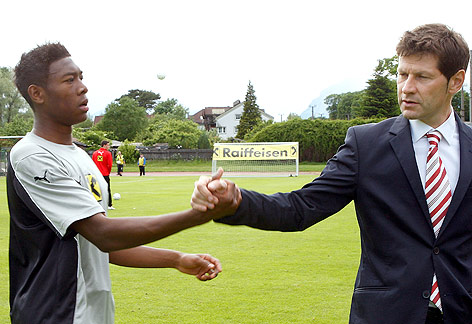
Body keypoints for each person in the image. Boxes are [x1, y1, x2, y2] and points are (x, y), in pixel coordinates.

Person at [192, 24, 471, 324]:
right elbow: (301, 208)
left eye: (422, 77)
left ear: (455, 82)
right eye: (403, 74)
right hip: (387, 315)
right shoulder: (366, 145)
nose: (407, 87)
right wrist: (234, 201)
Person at [7, 42, 221, 324]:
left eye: (81, 77)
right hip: (54, 314)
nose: (82, 87)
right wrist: (199, 215)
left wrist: (176, 259)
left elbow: (99, 245)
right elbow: (103, 234)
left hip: (94, 314)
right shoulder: (32, 156)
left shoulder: (81, 157)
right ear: (37, 94)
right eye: (69, 80)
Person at [92, 140, 114, 209]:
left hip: (96, 174)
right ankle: (109, 204)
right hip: (104, 173)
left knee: (96, 189)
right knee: (107, 189)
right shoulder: (108, 153)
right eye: (108, 145)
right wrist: (108, 172)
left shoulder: (95, 153)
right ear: (104, 145)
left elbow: (92, 163)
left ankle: (96, 204)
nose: (109, 146)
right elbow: (109, 164)